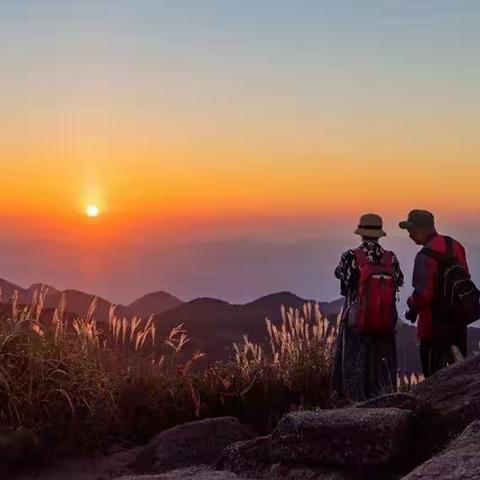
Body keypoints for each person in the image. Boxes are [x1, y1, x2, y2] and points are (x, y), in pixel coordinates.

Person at [331, 213, 404, 402]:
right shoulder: (391, 258)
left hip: (357, 320)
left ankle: (354, 402)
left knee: (354, 363)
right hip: (385, 320)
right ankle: (385, 399)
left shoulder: (350, 256)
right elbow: (400, 281)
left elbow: (345, 287)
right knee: (383, 365)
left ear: (361, 233)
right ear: (379, 234)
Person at [400, 210, 479, 377]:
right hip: (458, 325)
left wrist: (410, 308)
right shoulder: (456, 246)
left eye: (411, 230)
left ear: (423, 229)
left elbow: (423, 296)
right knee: (460, 378)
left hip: (432, 329)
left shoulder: (424, 256)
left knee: (434, 381)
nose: (410, 235)